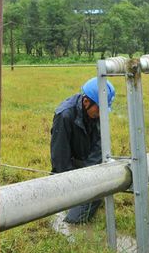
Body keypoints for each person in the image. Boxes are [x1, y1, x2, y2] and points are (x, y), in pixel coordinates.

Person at [50, 77, 116, 223]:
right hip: (70, 169)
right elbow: (60, 157)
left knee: (96, 194)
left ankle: (94, 195)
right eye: (99, 109)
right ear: (86, 101)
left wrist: (91, 179)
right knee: (73, 221)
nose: (101, 114)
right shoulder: (65, 115)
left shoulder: (98, 114)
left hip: (89, 165)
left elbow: (99, 148)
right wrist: (74, 186)